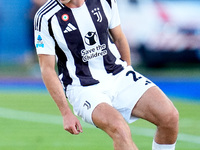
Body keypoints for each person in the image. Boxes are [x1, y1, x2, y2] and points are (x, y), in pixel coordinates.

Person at [34, 0, 179, 149]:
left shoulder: (104, 1)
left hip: (118, 75)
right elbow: (47, 69)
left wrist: (128, 71)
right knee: (119, 129)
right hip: (83, 87)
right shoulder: (45, 16)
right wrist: (66, 113)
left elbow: (119, 38)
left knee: (169, 116)